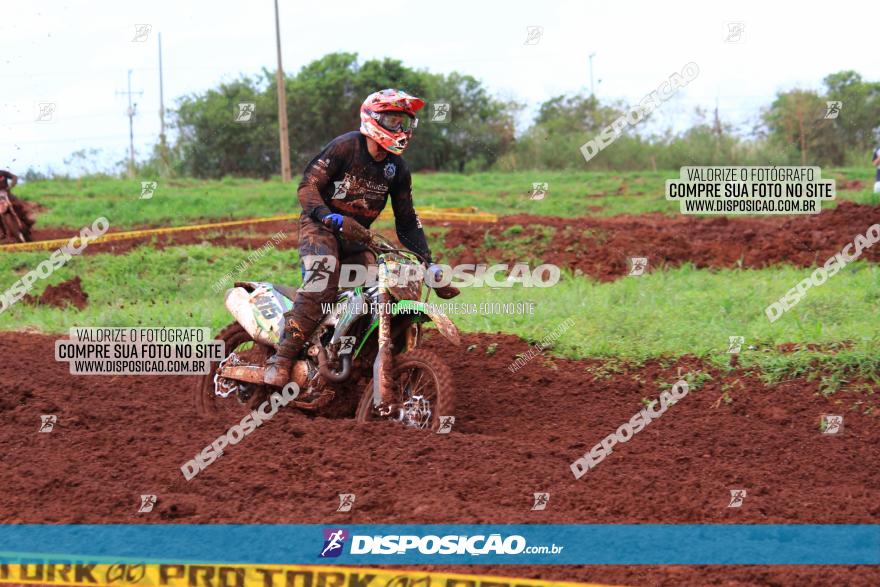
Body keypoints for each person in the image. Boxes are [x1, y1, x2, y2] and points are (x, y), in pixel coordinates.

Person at [264, 89, 447, 387]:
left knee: (376, 295)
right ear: (374, 119)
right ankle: (282, 358)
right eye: (393, 120)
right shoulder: (346, 147)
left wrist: (428, 262)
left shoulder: (397, 169)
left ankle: (352, 359)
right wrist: (327, 216)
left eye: (406, 123)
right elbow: (306, 187)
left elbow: (407, 222)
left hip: (358, 236)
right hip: (320, 227)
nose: (401, 130)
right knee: (321, 284)